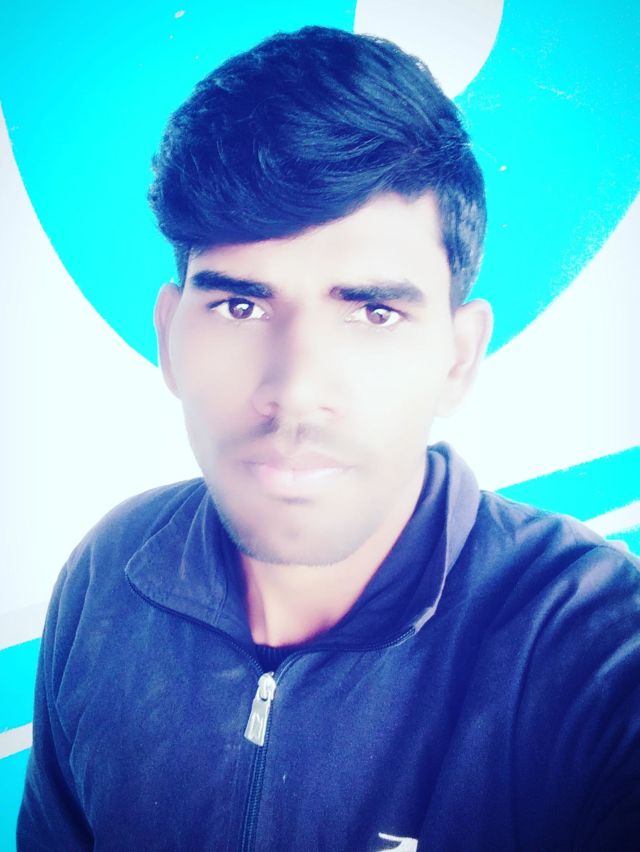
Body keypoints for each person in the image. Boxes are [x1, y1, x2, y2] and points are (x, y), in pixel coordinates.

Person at [18, 25, 639, 851]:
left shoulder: (592, 644)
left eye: (374, 312)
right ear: (169, 338)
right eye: (241, 306)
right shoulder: (107, 575)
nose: (295, 390)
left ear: (458, 359)